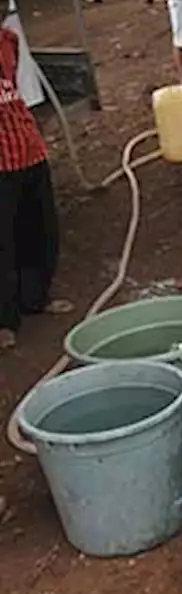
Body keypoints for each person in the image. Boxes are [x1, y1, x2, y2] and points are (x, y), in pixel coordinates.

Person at [0, 23, 73, 351]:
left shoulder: (9, 41)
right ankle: (4, 318)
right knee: (3, 242)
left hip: (27, 146)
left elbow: (14, 92)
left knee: (40, 229)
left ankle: (36, 297)